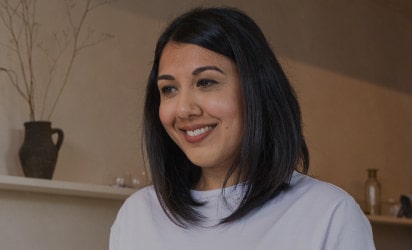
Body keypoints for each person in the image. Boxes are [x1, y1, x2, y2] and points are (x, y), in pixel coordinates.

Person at [110, 6, 375, 250]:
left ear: (256, 91)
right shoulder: (138, 215)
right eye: (169, 89)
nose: (183, 109)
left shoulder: (329, 213)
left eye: (206, 82)